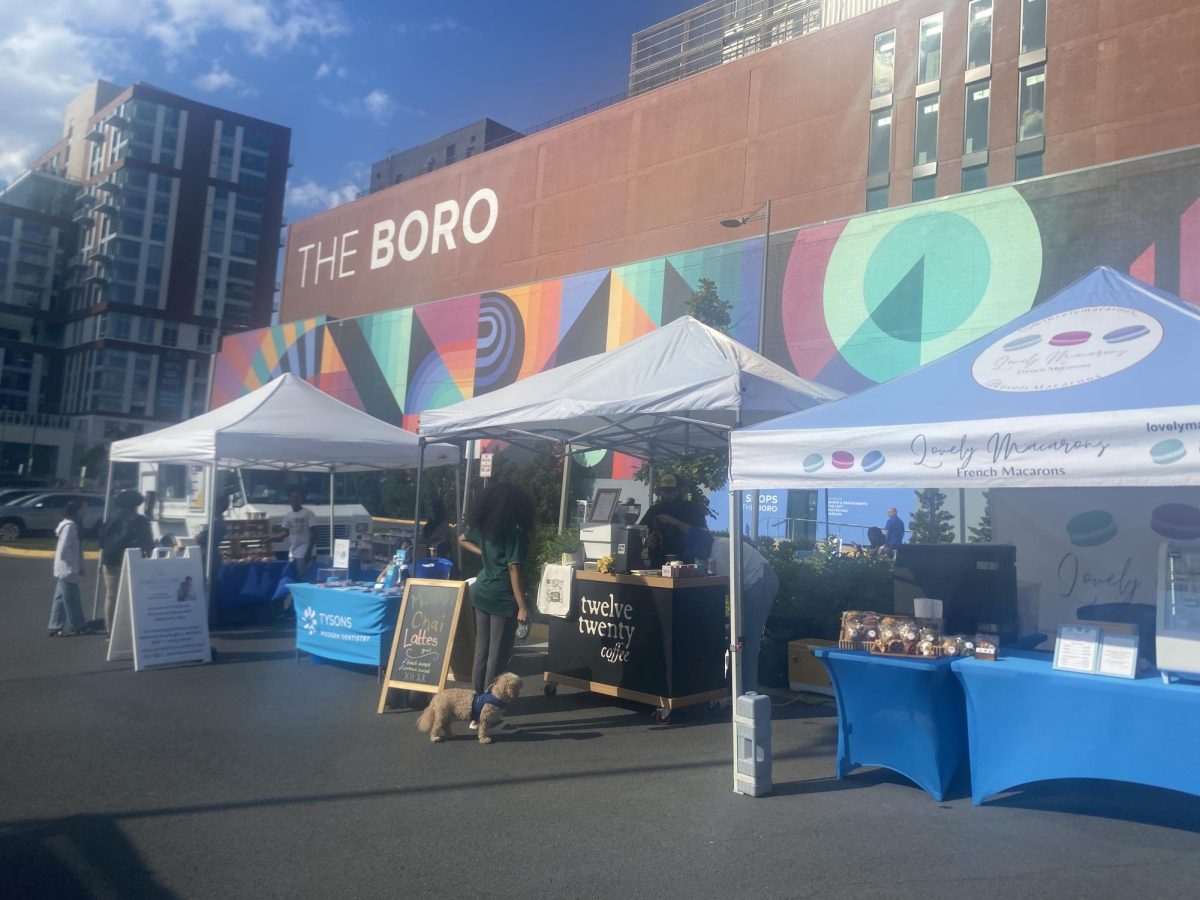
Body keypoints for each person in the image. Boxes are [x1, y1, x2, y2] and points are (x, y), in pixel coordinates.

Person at [654, 520, 778, 693]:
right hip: (750, 580)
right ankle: (732, 688)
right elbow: (687, 527)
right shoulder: (704, 539)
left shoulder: (720, 555)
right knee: (737, 639)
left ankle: (745, 694)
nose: (699, 559)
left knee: (746, 640)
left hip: (759, 580)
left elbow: (722, 592)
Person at [457, 482, 532, 734]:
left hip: (482, 592)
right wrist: (522, 606)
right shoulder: (515, 531)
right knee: (497, 657)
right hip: (501, 597)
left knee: (481, 652)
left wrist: (485, 556)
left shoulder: (487, 529)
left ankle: (475, 709)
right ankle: (489, 717)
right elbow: (514, 570)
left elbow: (462, 538)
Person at [99, 489, 155, 635]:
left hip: (110, 560)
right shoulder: (141, 520)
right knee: (132, 595)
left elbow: (101, 542)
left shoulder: (110, 519)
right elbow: (147, 543)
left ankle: (110, 630)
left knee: (111, 595)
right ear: (136, 505)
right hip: (131, 560)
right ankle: (130, 630)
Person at [640, 474, 707, 568]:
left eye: (672, 491)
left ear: (680, 490)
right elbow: (640, 532)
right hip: (656, 564)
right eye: (665, 491)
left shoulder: (691, 509)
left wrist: (674, 522)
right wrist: (645, 540)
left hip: (685, 565)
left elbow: (703, 535)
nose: (668, 494)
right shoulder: (654, 509)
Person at [47, 500, 88, 637]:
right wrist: (72, 567)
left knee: (60, 598)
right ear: (76, 510)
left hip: (69, 568)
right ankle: (78, 626)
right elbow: (64, 550)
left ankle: (55, 626)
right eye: (83, 508)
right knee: (72, 599)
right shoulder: (70, 526)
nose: (86, 510)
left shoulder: (75, 524)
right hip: (67, 569)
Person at [273, 490, 316, 614]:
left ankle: (304, 607)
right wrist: (271, 538)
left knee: (302, 580)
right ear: (290, 500)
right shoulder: (288, 516)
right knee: (292, 580)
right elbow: (284, 533)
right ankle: (293, 607)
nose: (295, 500)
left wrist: (309, 551)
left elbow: (314, 532)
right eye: (293, 498)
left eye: (297, 498)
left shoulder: (308, 513)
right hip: (293, 553)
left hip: (304, 552)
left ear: (301, 500)